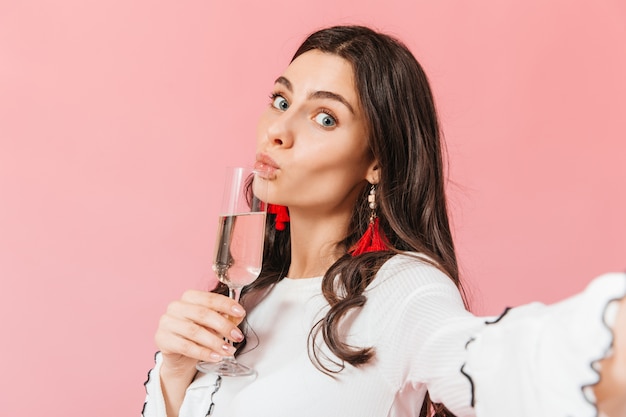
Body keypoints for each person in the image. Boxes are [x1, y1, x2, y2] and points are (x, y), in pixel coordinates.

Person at [142, 25, 626, 417]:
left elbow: (482, 357)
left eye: (325, 118)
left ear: (376, 161)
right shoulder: (249, 292)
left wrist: (606, 335)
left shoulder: (403, 288)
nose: (278, 131)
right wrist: (175, 373)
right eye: (282, 101)